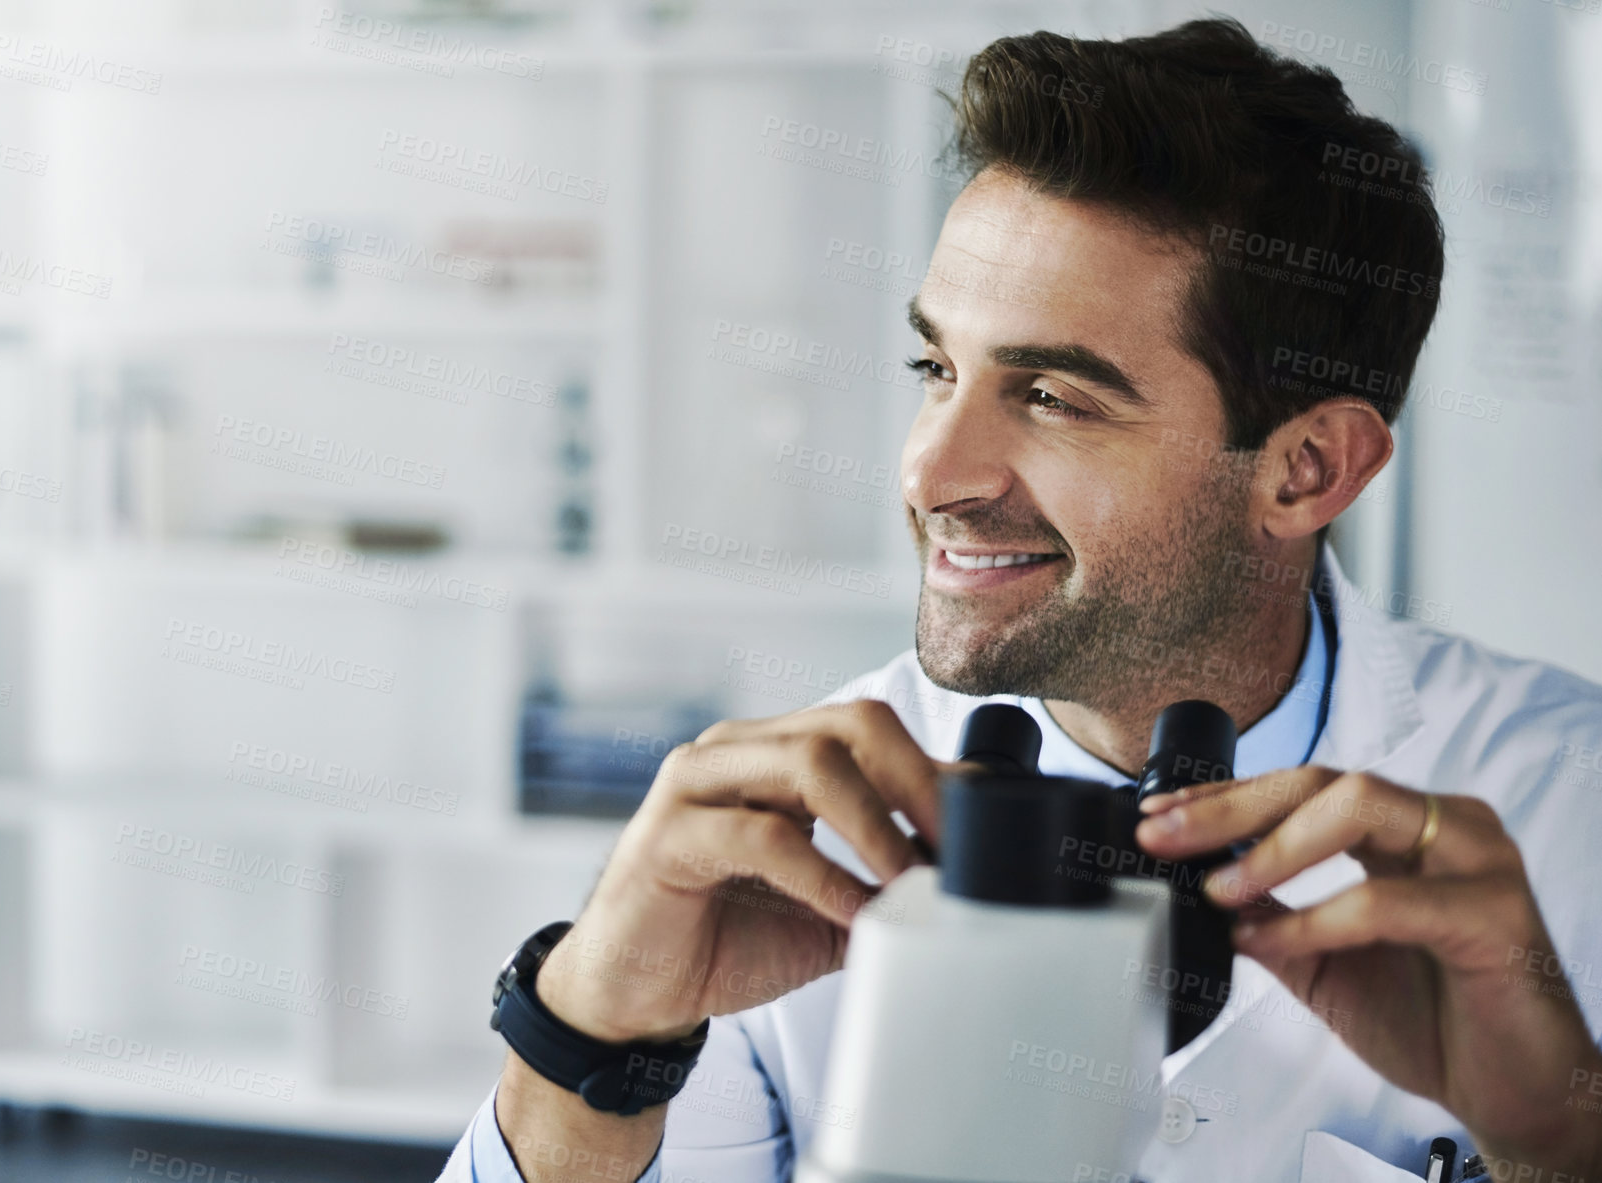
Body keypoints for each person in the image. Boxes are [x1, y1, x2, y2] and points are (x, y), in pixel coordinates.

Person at [443, 17, 1602, 1181]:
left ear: (1306, 469)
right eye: (937, 370)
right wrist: (587, 1031)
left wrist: (1556, 1144)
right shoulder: (778, 847)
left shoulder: (1568, 816)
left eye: (1051, 395)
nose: (931, 475)